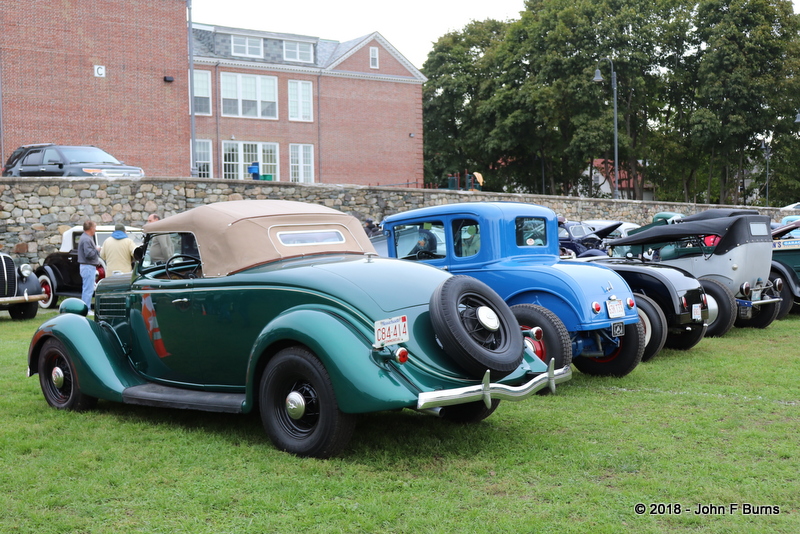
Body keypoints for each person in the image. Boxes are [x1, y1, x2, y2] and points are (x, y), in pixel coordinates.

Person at [77, 220, 100, 311]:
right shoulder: (86, 239)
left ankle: (85, 308)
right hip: (88, 267)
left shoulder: (85, 237)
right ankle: (86, 309)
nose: (95, 229)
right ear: (91, 228)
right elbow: (89, 254)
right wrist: (97, 250)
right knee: (88, 290)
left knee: (87, 288)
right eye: (94, 227)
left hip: (87, 267)